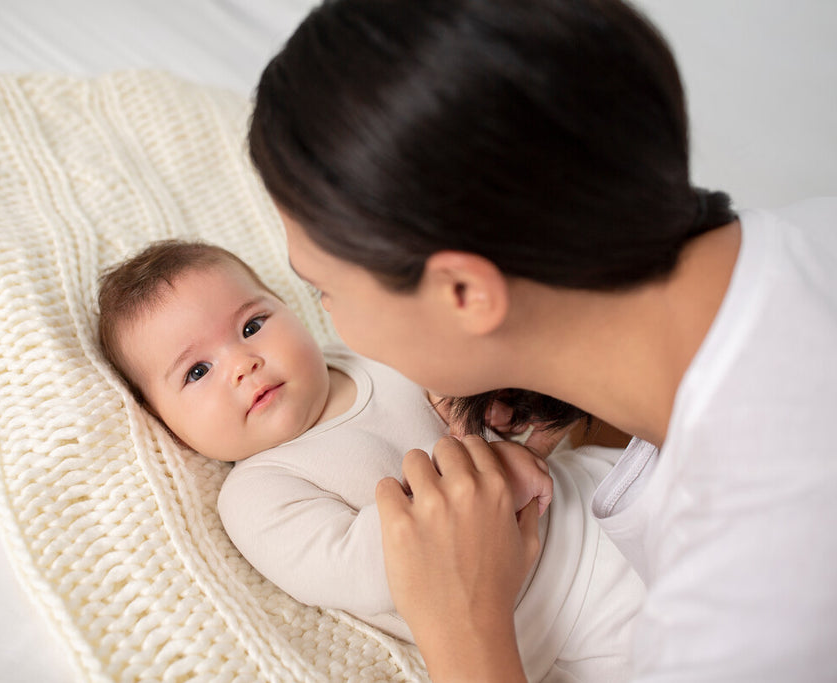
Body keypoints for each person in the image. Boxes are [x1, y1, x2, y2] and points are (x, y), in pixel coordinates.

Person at [246, 0, 837, 681]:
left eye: (326, 289)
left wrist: (464, 625)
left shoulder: (749, 607)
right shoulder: (807, 238)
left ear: (464, 294)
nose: (329, 323)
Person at [97, 239, 646, 682]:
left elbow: (483, 396)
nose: (242, 363)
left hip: (596, 488)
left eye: (251, 326)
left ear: (290, 307)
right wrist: (490, 465)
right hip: (566, 613)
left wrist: (500, 406)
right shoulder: (259, 493)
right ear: (167, 423)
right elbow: (374, 570)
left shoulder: (370, 352)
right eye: (197, 372)